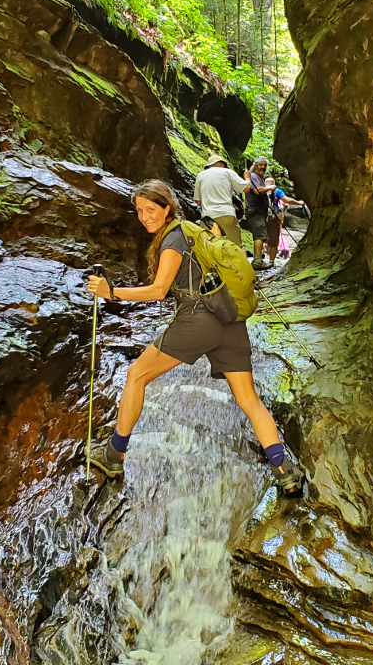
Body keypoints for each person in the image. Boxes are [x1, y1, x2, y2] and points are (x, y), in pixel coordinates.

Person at [86, 179, 302, 493]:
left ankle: (113, 455)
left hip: (198, 320)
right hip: (229, 317)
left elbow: (159, 290)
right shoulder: (193, 231)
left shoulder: (173, 239)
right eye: (139, 211)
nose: (145, 216)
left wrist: (112, 292)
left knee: (136, 375)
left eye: (151, 209)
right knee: (248, 399)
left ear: (167, 208)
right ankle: (284, 470)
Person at [193, 154, 249, 247]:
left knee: (208, 247)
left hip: (208, 216)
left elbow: (198, 201)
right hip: (226, 214)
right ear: (222, 164)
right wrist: (247, 178)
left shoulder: (201, 175)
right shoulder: (228, 172)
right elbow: (246, 188)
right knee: (236, 247)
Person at [264, 177, 305, 265]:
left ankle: (263, 257)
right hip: (274, 217)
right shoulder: (277, 191)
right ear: (273, 184)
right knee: (274, 237)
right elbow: (286, 200)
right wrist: (299, 203)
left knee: (262, 237)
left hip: (261, 217)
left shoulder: (261, 190)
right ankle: (271, 260)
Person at [244, 157, 275, 270]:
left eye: (264, 165)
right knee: (260, 236)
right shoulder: (253, 176)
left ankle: (258, 259)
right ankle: (257, 261)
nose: (263, 167)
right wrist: (270, 187)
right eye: (260, 165)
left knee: (261, 236)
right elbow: (257, 190)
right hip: (255, 212)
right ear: (255, 165)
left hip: (258, 212)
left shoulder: (259, 178)